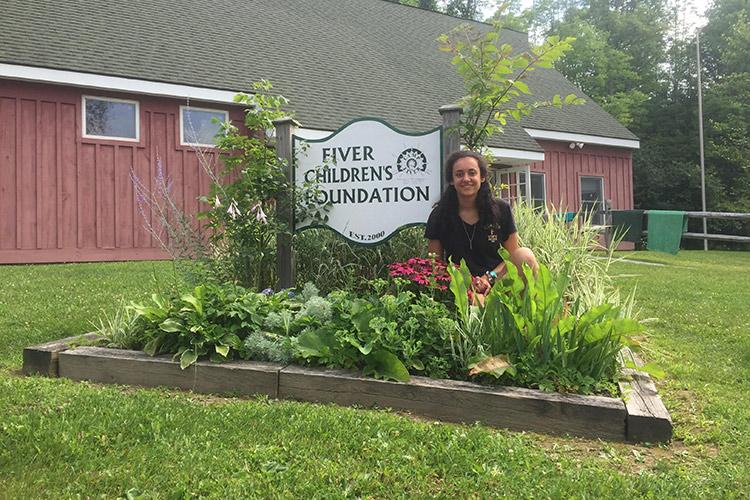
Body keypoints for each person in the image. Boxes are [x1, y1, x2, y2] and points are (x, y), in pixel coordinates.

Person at [425, 150, 539, 296]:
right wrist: (464, 286)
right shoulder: (439, 215)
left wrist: (488, 278)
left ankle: (523, 312)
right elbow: (434, 264)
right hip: (460, 288)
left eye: (472, 173)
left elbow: (511, 257)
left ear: (482, 177)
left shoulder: (501, 209)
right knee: (474, 301)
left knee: (525, 255)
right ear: (452, 180)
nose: (466, 179)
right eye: (459, 174)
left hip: (497, 283)